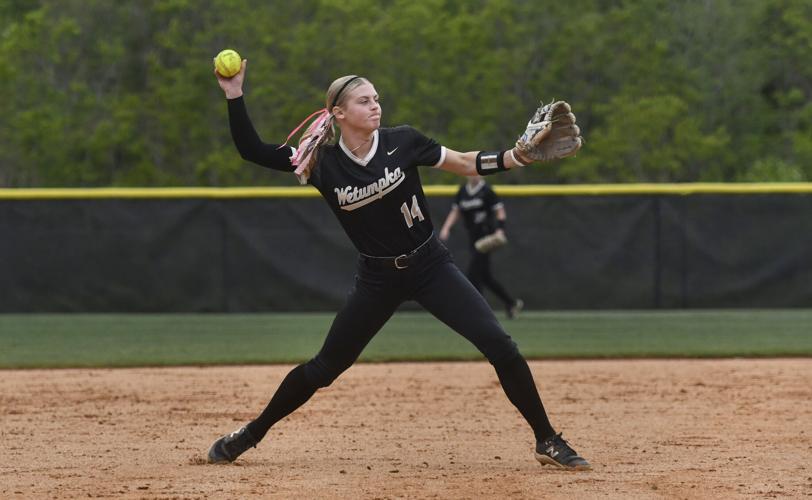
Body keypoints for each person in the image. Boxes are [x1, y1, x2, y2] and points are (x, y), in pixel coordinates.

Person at [207, 61, 590, 471]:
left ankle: (547, 439)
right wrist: (234, 94)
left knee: (501, 346)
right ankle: (249, 435)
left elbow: (462, 161)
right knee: (323, 369)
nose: (376, 106)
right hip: (378, 279)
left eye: (376, 98)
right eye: (364, 100)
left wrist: (514, 158)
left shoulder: (402, 141)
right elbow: (252, 150)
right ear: (338, 112)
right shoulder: (319, 161)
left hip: (430, 266)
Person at [439, 176, 524, 319]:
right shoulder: (463, 191)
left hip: (486, 238)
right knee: (485, 277)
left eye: (477, 171)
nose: (474, 174)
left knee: (473, 274)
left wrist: (500, 229)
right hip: (473, 238)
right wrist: (446, 227)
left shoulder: (487, 191)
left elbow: (500, 212)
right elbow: (456, 211)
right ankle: (511, 303)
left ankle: (478, 311)